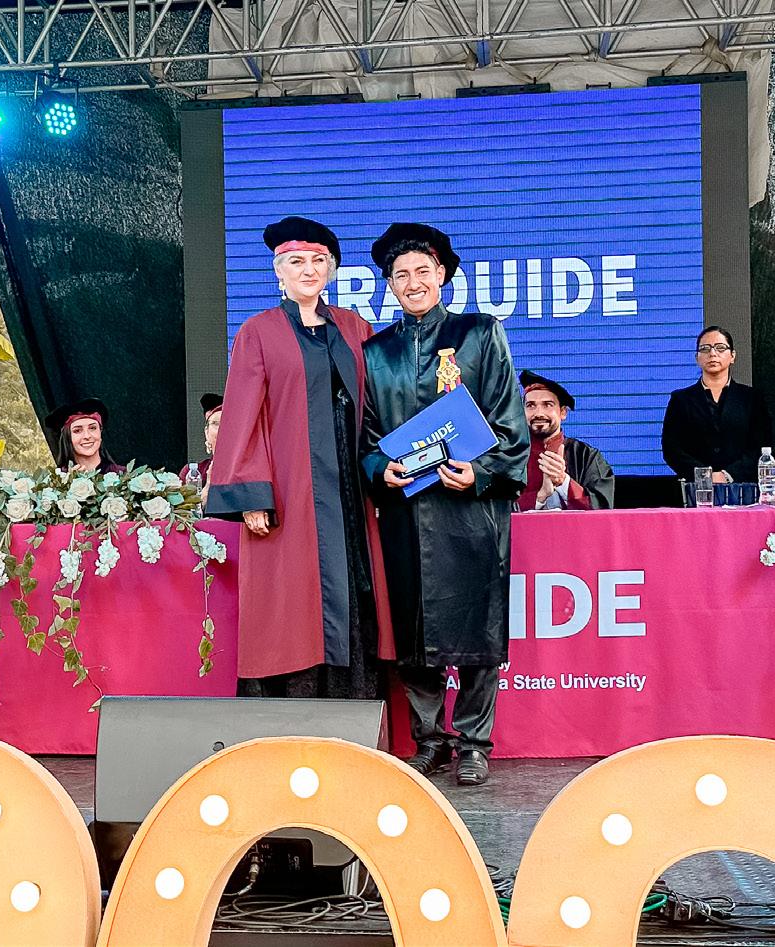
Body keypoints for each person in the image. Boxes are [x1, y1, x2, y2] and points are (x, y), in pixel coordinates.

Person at [359, 222, 529, 786]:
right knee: (413, 633)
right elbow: (365, 437)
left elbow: (510, 423)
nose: (412, 282)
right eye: (400, 275)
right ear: (389, 284)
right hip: (405, 512)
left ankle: (474, 742)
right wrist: (378, 468)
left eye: (422, 272)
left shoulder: (479, 333)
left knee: (478, 630)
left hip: (471, 509)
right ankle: (430, 739)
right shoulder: (375, 353)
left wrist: (480, 472)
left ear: (442, 276)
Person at [207, 216, 395, 700]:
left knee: (355, 586)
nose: (308, 269)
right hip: (292, 488)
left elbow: (378, 405)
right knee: (292, 598)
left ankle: (354, 707)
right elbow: (243, 416)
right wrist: (252, 494)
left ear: (329, 270)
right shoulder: (258, 332)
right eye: (296, 261)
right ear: (279, 271)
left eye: (317, 261)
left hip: (351, 488)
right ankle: (292, 710)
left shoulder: (355, 327)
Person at [660, 326, 770, 483]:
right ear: (697, 358)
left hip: (742, 488)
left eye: (720, 348)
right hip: (696, 488)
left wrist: (727, 475)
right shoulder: (681, 399)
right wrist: (705, 476)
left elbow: (762, 446)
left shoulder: (752, 398)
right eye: (705, 349)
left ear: (732, 356)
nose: (712, 353)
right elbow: (672, 449)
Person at [517, 369, 614, 511]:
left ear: (563, 412)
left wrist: (563, 481)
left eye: (547, 405)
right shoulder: (511, 456)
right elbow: (496, 512)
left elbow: (602, 507)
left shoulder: (586, 455)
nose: (538, 413)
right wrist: (540, 497)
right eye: (531, 405)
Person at [43, 397, 126, 474]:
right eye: (77, 431)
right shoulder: (58, 481)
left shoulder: (124, 475)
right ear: (67, 438)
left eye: (92, 428)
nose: (87, 436)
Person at [188, 393, 223, 502]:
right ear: (206, 433)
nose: (222, 429)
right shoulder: (193, 472)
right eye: (216, 423)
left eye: (227, 423)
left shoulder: (254, 472)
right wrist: (208, 486)